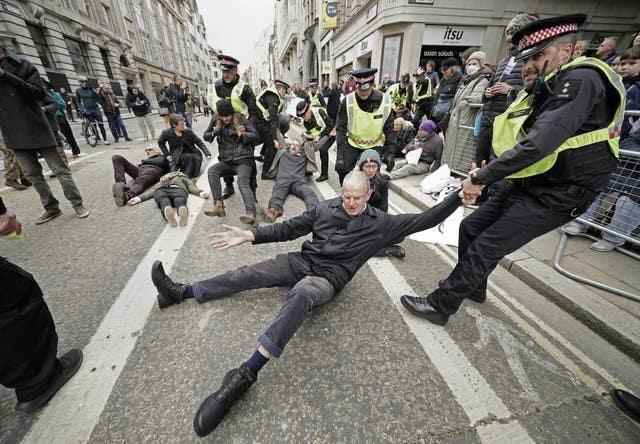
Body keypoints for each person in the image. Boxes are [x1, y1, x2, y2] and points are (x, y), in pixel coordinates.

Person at [149, 170, 465, 437]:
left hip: (328, 279)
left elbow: (427, 219)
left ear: (368, 195)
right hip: (303, 261)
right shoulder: (325, 209)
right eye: (346, 196)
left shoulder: (382, 224)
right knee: (249, 274)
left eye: (358, 196)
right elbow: (290, 228)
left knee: (301, 294)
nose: (351, 202)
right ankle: (183, 292)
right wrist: (252, 236)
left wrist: (458, 197)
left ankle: (245, 375)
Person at [400, 14, 627, 326]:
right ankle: (474, 286)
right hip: (531, 179)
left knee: (487, 245)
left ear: (567, 50)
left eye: (538, 57)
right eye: (526, 58)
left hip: (563, 190)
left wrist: (481, 177)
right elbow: (512, 131)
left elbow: (538, 143)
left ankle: (442, 304)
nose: (529, 66)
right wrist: (486, 166)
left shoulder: (581, 80)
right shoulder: (552, 82)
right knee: (470, 228)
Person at [0, 38, 90, 224]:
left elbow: (38, 93)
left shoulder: (23, 65)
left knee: (59, 170)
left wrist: (6, 76)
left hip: (36, 126)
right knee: (33, 175)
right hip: (13, 132)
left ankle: (77, 204)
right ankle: (51, 208)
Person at [562, 47, 640, 251]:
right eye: (623, 63)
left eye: (631, 63)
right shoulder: (617, 86)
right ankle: (582, 221)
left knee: (630, 198)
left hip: (630, 154)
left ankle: (613, 237)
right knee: (599, 185)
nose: (624, 67)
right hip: (613, 146)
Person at [475, 13, 538, 165]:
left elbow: (534, 92)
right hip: (489, 118)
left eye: (513, 35)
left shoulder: (530, 60)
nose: (509, 40)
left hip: (507, 121)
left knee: (497, 161)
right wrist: (487, 93)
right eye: (508, 35)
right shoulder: (503, 61)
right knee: (480, 160)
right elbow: (490, 86)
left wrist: (511, 90)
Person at [206, 55, 260, 195]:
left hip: (241, 126)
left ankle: (252, 189)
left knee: (248, 160)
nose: (227, 75)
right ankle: (228, 186)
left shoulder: (245, 88)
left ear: (236, 70)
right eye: (224, 72)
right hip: (224, 126)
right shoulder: (216, 86)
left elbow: (254, 111)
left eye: (230, 72)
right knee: (224, 157)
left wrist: (248, 130)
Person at [335, 68, 396, 185]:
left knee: (373, 178)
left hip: (374, 145)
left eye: (366, 90)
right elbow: (340, 129)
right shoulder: (347, 101)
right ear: (356, 85)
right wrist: (340, 155)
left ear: (372, 84)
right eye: (359, 89)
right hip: (352, 144)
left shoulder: (385, 101)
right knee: (343, 171)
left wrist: (390, 152)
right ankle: (347, 196)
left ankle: (370, 199)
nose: (363, 93)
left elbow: (389, 130)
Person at [203, 100, 260, 224]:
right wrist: (214, 132)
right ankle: (218, 205)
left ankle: (251, 213)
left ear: (232, 113)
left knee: (242, 182)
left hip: (244, 159)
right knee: (212, 171)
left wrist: (242, 134)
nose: (225, 119)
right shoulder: (216, 120)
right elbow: (206, 136)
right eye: (222, 116)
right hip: (227, 161)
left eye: (227, 116)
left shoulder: (241, 118)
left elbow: (256, 135)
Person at [262, 128, 320, 223]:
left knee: (309, 193)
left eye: (296, 145)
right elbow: (278, 133)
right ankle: (274, 211)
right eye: (292, 144)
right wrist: (274, 122)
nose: (294, 146)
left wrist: (328, 134)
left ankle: (315, 212)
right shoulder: (283, 151)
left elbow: (316, 146)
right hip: (283, 180)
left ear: (300, 148)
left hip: (298, 182)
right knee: (277, 194)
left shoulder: (304, 155)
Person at [442, 51, 491, 163]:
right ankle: (448, 168)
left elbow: (479, 97)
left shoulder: (482, 80)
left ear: (481, 65)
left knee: (461, 151)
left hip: (466, 121)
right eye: (469, 64)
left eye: (474, 64)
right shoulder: (466, 81)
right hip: (456, 120)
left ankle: (455, 171)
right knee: (451, 147)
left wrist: (467, 100)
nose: (470, 67)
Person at [356, 150, 406, 258]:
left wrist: (379, 224)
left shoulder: (382, 182)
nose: (370, 170)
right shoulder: (353, 180)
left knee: (399, 234)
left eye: (374, 166)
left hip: (374, 217)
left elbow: (384, 207)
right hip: (357, 219)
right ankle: (384, 250)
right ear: (361, 167)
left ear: (378, 167)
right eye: (367, 166)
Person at [127, 171, 209, 226]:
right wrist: (201, 193)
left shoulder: (163, 179)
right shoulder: (184, 178)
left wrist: (138, 198)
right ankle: (181, 208)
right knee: (179, 199)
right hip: (178, 189)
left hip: (161, 190)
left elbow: (152, 191)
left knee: (163, 201)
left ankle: (167, 209)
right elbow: (191, 188)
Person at [158, 114, 211, 179]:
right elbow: (160, 143)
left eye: (184, 124)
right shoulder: (167, 133)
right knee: (188, 159)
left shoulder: (188, 132)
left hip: (192, 152)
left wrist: (207, 153)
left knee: (194, 162)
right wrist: (167, 155)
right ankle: (185, 176)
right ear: (174, 125)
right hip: (177, 155)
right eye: (181, 124)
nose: (184, 126)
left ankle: (186, 174)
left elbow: (199, 142)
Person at [255, 79, 289, 178]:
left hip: (262, 121)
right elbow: (273, 119)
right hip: (259, 122)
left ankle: (263, 154)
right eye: (284, 91)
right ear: (279, 88)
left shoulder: (274, 96)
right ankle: (265, 173)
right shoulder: (273, 97)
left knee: (272, 138)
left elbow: (276, 119)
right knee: (272, 146)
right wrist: (275, 139)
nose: (285, 93)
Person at [296, 99, 335, 182]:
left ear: (308, 110)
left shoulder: (319, 111)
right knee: (305, 145)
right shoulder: (306, 122)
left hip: (331, 132)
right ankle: (309, 169)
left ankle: (324, 174)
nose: (303, 118)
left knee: (323, 149)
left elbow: (330, 126)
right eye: (302, 117)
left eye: (304, 115)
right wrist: (307, 136)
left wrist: (319, 136)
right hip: (320, 135)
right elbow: (312, 132)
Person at [46, 81, 81, 157]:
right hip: (48, 119)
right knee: (56, 137)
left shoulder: (55, 94)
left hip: (59, 117)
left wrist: (53, 103)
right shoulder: (41, 95)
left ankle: (75, 150)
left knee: (68, 134)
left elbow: (63, 104)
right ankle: (61, 153)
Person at [431, 57, 462, 134]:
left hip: (447, 117)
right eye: (442, 70)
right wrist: (432, 111)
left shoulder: (460, 80)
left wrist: (445, 120)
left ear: (453, 68)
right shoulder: (443, 80)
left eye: (445, 69)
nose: (443, 72)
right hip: (437, 113)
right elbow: (437, 95)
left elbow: (455, 101)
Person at [76, 79, 110, 145]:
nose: (84, 83)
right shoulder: (78, 91)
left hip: (95, 108)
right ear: (80, 83)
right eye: (82, 82)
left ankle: (105, 139)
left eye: (85, 82)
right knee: (93, 125)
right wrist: (82, 109)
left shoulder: (91, 89)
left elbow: (97, 97)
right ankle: (98, 138)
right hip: (87, 109)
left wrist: (100, 104)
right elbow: (78, 102)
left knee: (101, 125)